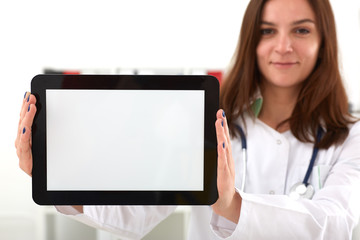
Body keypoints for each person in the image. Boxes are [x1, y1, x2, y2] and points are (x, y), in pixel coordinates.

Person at [15, 0, 360, 239]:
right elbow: (135, 214)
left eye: (301, 31)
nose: (283, 46)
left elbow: (337, 225)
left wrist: (232, 205)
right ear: (251, 40)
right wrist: (54, 174)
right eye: (267, 31)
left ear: (323, 41)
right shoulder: (206, 122)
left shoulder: (351, 135)